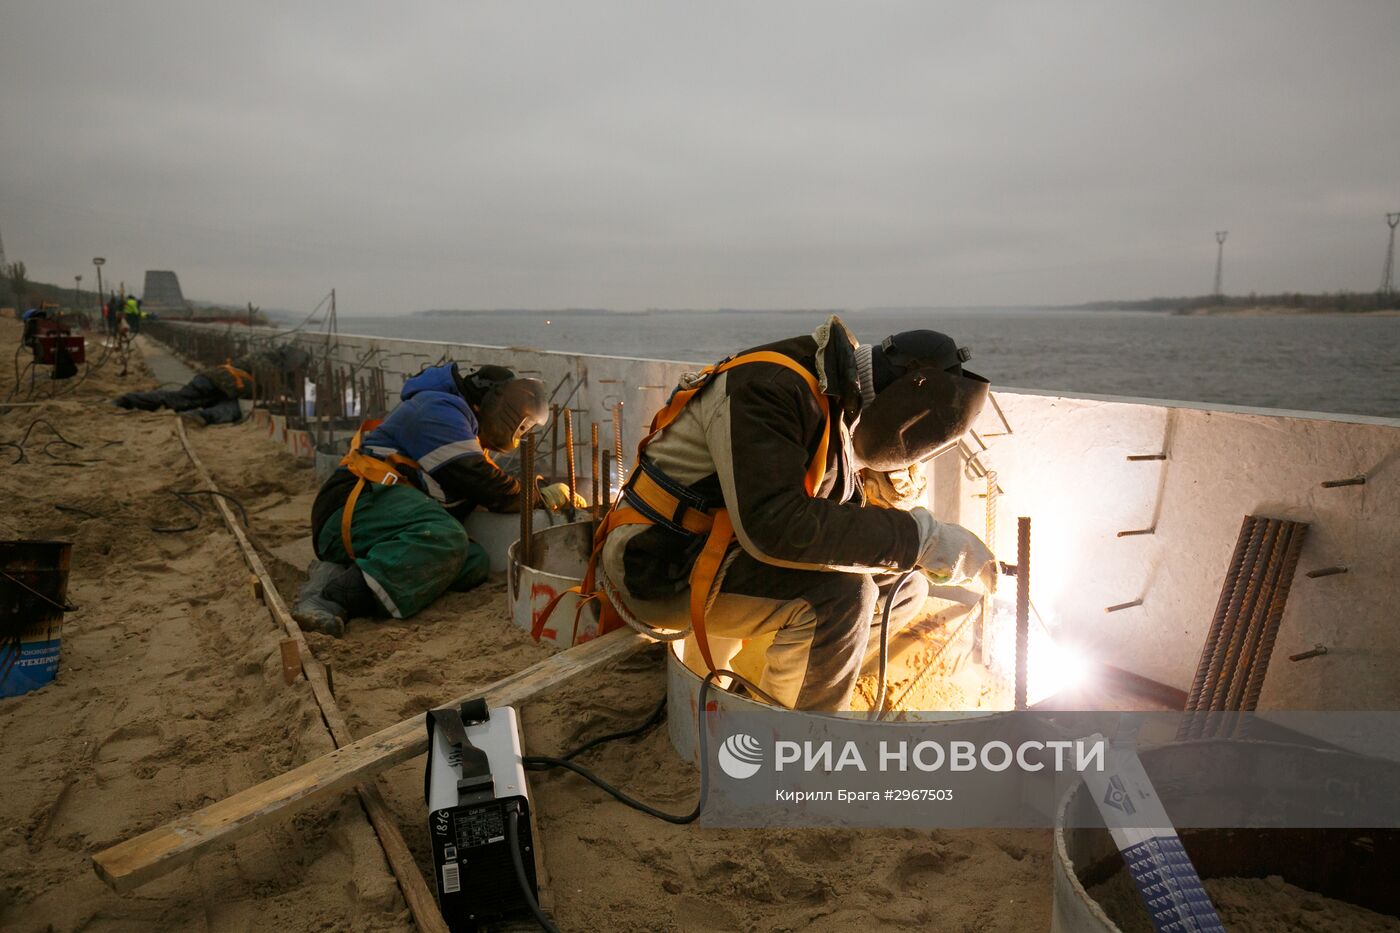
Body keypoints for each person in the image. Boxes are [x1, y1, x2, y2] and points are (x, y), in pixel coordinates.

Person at [581, 316, 996, 711]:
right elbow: (774, 525)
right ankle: (787, 742)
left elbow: (831, 516)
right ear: (907, 395)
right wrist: (922, 538)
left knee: (903, 588)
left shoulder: (837, 400)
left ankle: (755, 684)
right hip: (659, 564)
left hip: (723, 551)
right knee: (843, 599)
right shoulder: (769, 388)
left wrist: (902, 529)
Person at [292, 362, 580, 636]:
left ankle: (338, 571)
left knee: (474, 562)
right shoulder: (437, 409)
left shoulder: (465, 427)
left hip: (380, 513)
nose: (520, 433)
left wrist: (537, 489)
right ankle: (330, 598)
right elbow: (484, 484)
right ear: (494, 402)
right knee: (446, 538)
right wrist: (539, 497)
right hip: (351, 505)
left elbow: (483, 485)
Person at [113, 345, 308, 425]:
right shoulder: (267, 363)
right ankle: (129, 400)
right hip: (214, 383)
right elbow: (272, 384)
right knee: (181, 400)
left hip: (219, 387)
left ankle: (130, 400)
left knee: (180, 399)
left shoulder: (267, 359)